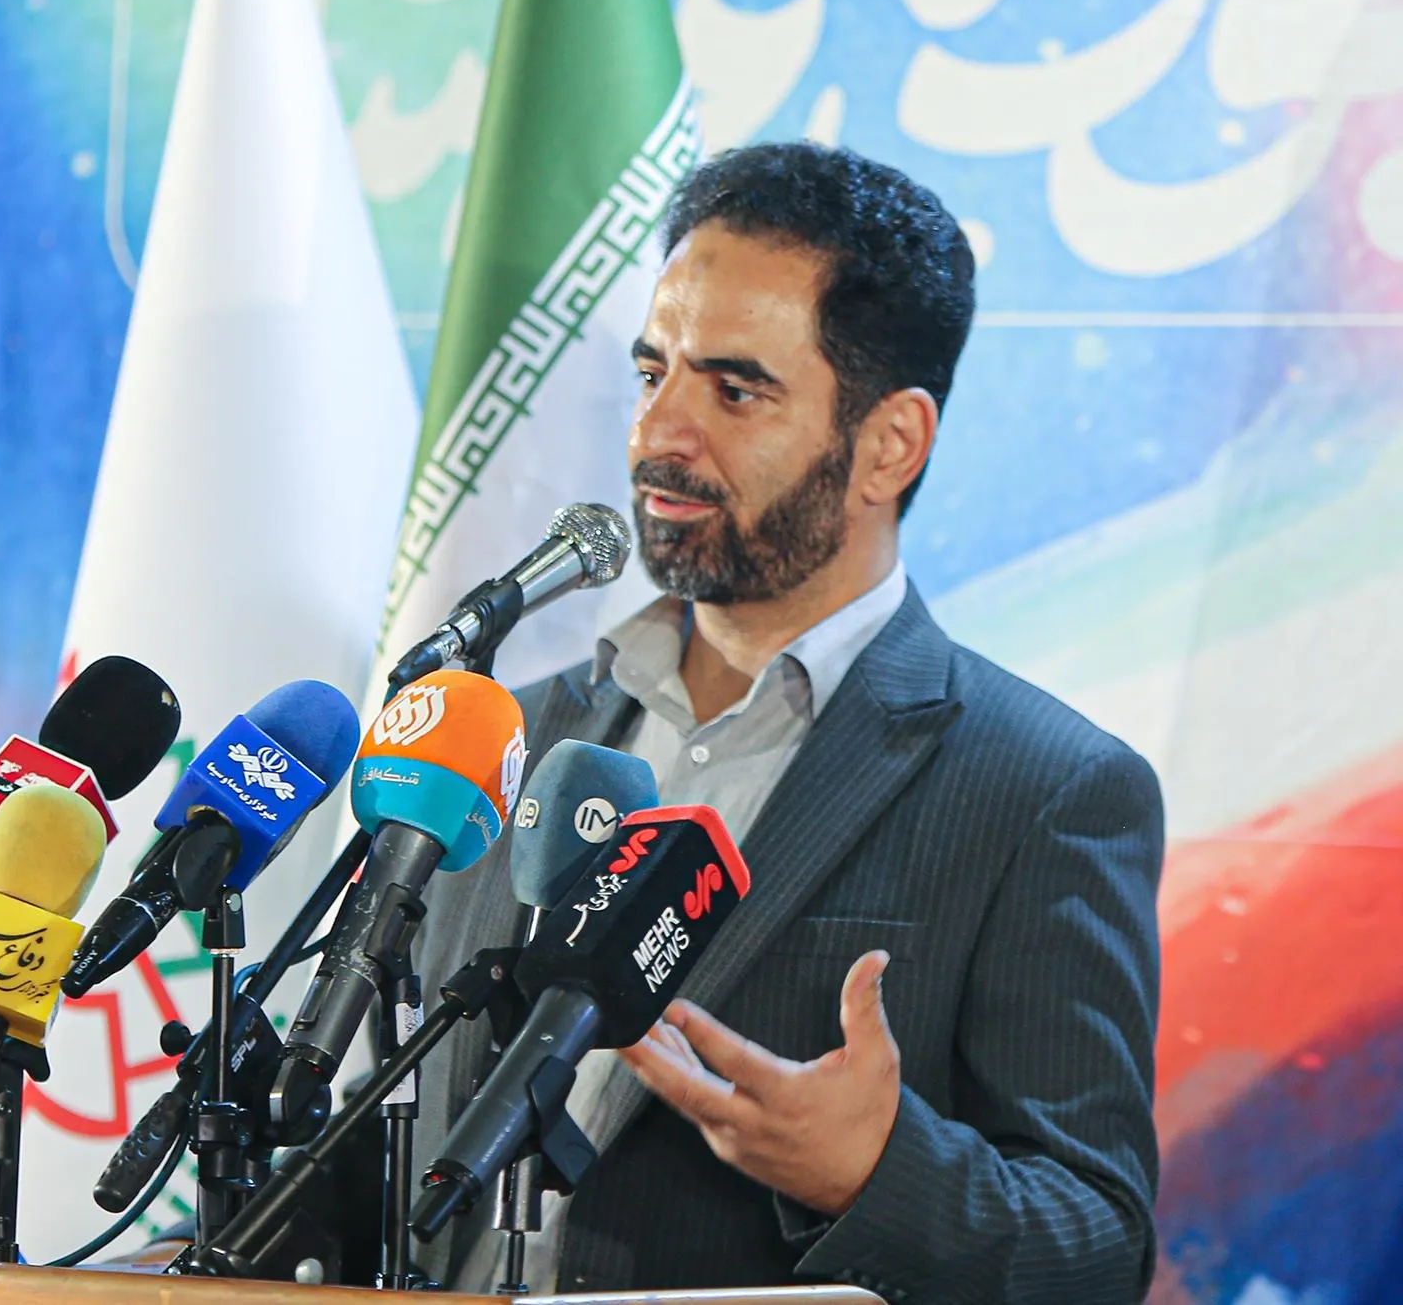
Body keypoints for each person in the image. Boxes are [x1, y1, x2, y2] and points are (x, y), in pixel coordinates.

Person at [412, 142, 1163, 1303]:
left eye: (734, 389)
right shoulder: (509, 728)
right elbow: (403, 1131)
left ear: (887, 445)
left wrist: (871, 1171)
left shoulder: (1044, 789)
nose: (658, 432)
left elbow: (1094, 1247)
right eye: (651, 371)